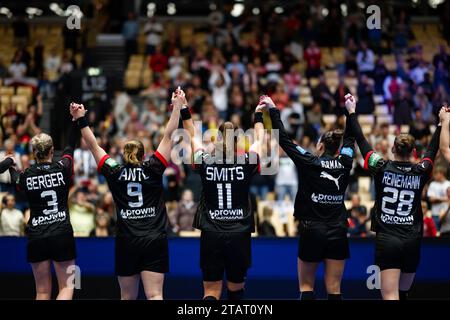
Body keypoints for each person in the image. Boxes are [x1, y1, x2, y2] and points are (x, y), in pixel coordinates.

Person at [69, 89, 182, 300]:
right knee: (155, 295)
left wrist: (81, 119)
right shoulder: (153, 168)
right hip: (153, 238)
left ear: (123, 155)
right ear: (144, 154)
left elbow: (93, 146)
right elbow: (169, 135)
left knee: (127, 297)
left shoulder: (115, 171)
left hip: (127, 240)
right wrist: (176, 107)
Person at [344, 93, 442, 300]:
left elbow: (361, 140)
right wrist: (441, 125)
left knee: (390, 296)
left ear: (392, 149)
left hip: (387, 239)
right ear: (414, 152)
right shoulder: (421, 170)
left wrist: (352, 111)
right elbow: (433, 150)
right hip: (412, 239)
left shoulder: (380, 166)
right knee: (404, 293)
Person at [265, 95, 355, 300]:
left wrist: (273, 110)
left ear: (320, 145)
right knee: (334, 289)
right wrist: (350, 111)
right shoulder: (345, 161)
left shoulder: (310, 161)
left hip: (312, 230)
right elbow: (350, 139)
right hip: (337, 230)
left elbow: (284, 141)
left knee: (306, 287)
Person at [181, 88, 263, 300]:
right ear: (237, 141)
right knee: (236, 290)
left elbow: (191, 134)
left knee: (210, 292)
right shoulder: (247, 161)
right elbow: (260, 140)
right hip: (239, 233)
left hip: (212, 233)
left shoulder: (205, 162)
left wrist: (183, 108)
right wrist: (259, 115)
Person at [7, 118, 80, 300]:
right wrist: (76, 121)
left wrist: (11, 166)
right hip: (62, 233)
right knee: (68, 286)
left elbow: (16, 177)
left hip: (37, 236)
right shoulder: (63, 168)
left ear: (33, 153)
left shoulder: (26, 176)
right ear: (52, 151)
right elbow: (70, 146)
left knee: (42, 292)